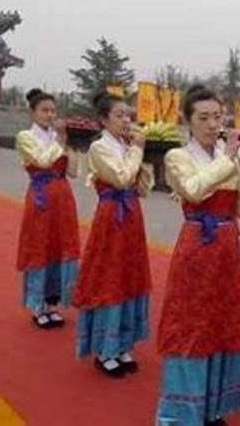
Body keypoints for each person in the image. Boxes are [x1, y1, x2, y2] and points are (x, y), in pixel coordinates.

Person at [156, 85, 240, 426]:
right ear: (187, 120)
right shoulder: (177, 157)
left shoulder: (229, 154)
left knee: (222, 320)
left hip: (227, 246)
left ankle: (214, 404)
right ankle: (183, 409)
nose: (213, 124)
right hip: (198, 244)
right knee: (191, 322)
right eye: (204, 117)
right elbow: (194, 190)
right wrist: (228, 160)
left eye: (218, 116)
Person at [72, 93, 154, 377]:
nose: (126, 120)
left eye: (128, 115)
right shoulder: (99, 148)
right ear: (104, 120)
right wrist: (138, 151)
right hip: (111, 218)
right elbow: (120, 178)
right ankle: (105, 349)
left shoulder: (126, 145)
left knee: (129, 276)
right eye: (119, 115)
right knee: (110, 277)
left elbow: (141, 186)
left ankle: (123, 343)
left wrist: (142, 158)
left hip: (131, 214)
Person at [15, 88, 80, 329]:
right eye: (44, 110)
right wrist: (60, 141)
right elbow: (42, 161)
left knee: (59, 247)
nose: (50, 115)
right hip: (41, 198)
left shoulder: (57, 136)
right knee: (40, 246)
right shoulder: (25, 137)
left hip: (62, 198)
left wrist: (69, 144)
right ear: (33, 112)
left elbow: (73, 171)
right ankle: (37, 304)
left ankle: (52, 302)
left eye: (53, 110)